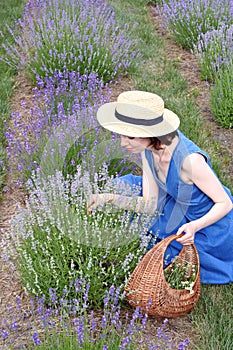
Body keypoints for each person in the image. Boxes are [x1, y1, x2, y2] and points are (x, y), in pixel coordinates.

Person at [87, 90, 233, 284]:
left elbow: (225, 203)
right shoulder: (149, 149)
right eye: (122, 136)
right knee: (120, 189)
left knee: (166, 252)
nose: (123, 144)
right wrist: (110, 199)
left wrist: (194, 227)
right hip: (176, 203)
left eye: (130, 137)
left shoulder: (189, 161)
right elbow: (150, 205)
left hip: (208, 224)